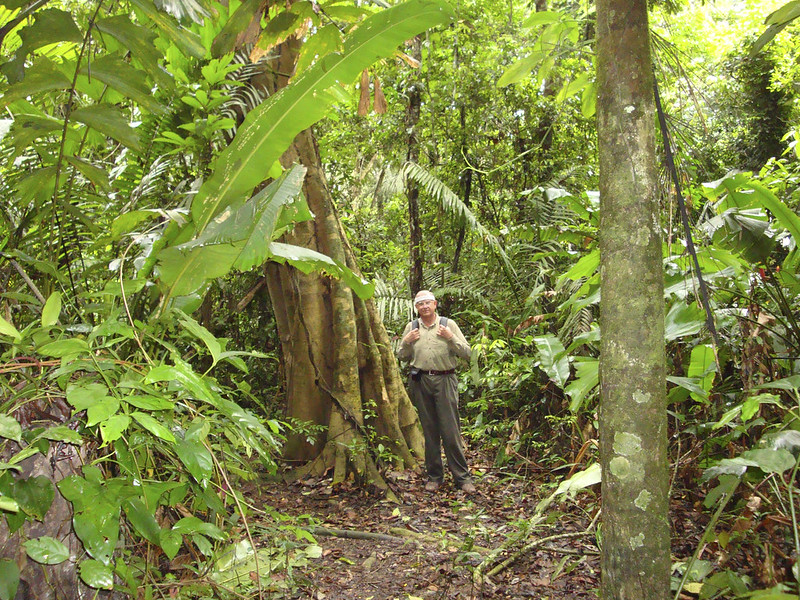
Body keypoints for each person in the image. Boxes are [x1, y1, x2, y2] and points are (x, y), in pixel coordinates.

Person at [397, 290, 476, 493]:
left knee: (450, 430)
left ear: (435, 304)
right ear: (416, 308)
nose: (424, 307)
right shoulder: (412, 327)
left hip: (445, 379)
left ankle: (462, 478)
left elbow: (467, 353)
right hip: (421, 380)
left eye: (427, 303)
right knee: (430, 430)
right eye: (420, 304)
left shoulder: (448, 325)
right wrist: (406, 342)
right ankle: (434, 477)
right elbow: (402, 356)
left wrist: (451, 338)